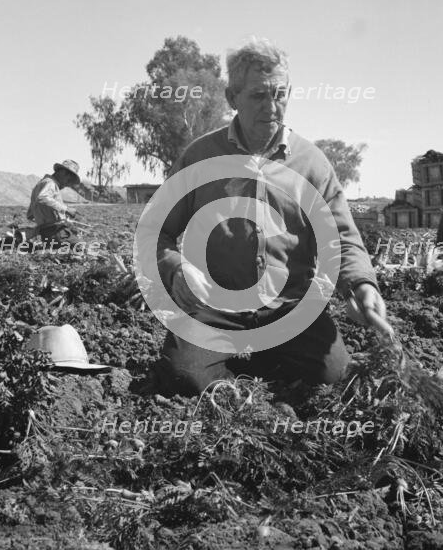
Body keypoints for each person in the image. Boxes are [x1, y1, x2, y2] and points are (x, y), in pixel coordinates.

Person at [139, 38, 387, 397]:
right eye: (258, 96)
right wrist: (174, 268)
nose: (273, 107)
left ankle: (255, 360)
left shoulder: (311, 163)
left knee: (332, 379)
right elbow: (153, 232)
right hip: (213, 307)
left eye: (281, 94)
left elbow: (342, 238)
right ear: (232, 98)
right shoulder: (200, 157)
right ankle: (237, 360)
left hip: (290, 310)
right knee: (183, 380)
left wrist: (361, 283)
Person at [27, 159, 81, 251]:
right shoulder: (50, 183)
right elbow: (43, 198)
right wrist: (66, 209)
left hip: (47, 234)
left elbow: (30, 214)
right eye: (68, 180)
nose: (67, 184)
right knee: (81, 247)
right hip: (56, 232)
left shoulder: (40, 184)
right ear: (63, 173)